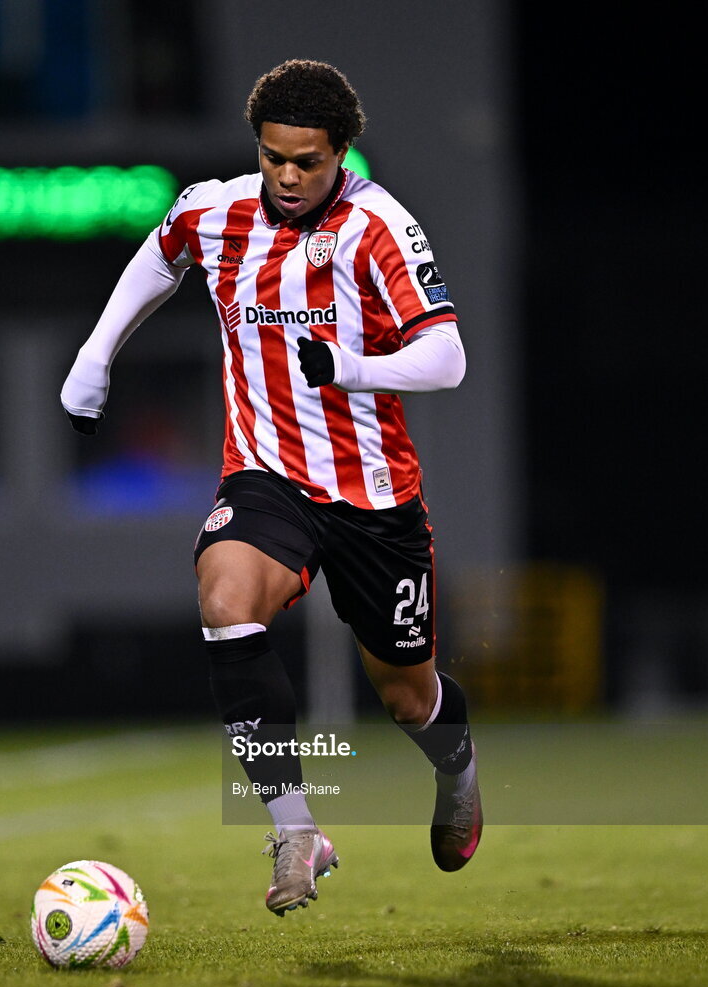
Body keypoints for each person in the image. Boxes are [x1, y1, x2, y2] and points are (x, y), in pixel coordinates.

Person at [61, 59, 482, 916]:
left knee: (406, 697)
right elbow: (160, 256)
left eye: (307, 162)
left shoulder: (378, 225)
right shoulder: (214, 210)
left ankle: (457, 771)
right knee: (225, 601)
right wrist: (94, 355)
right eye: (273, 157)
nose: (287, 177)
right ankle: (296, 829)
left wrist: (351, 366)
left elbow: (447, 357)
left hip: (372, 497)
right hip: (266, 478)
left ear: (341, 154)